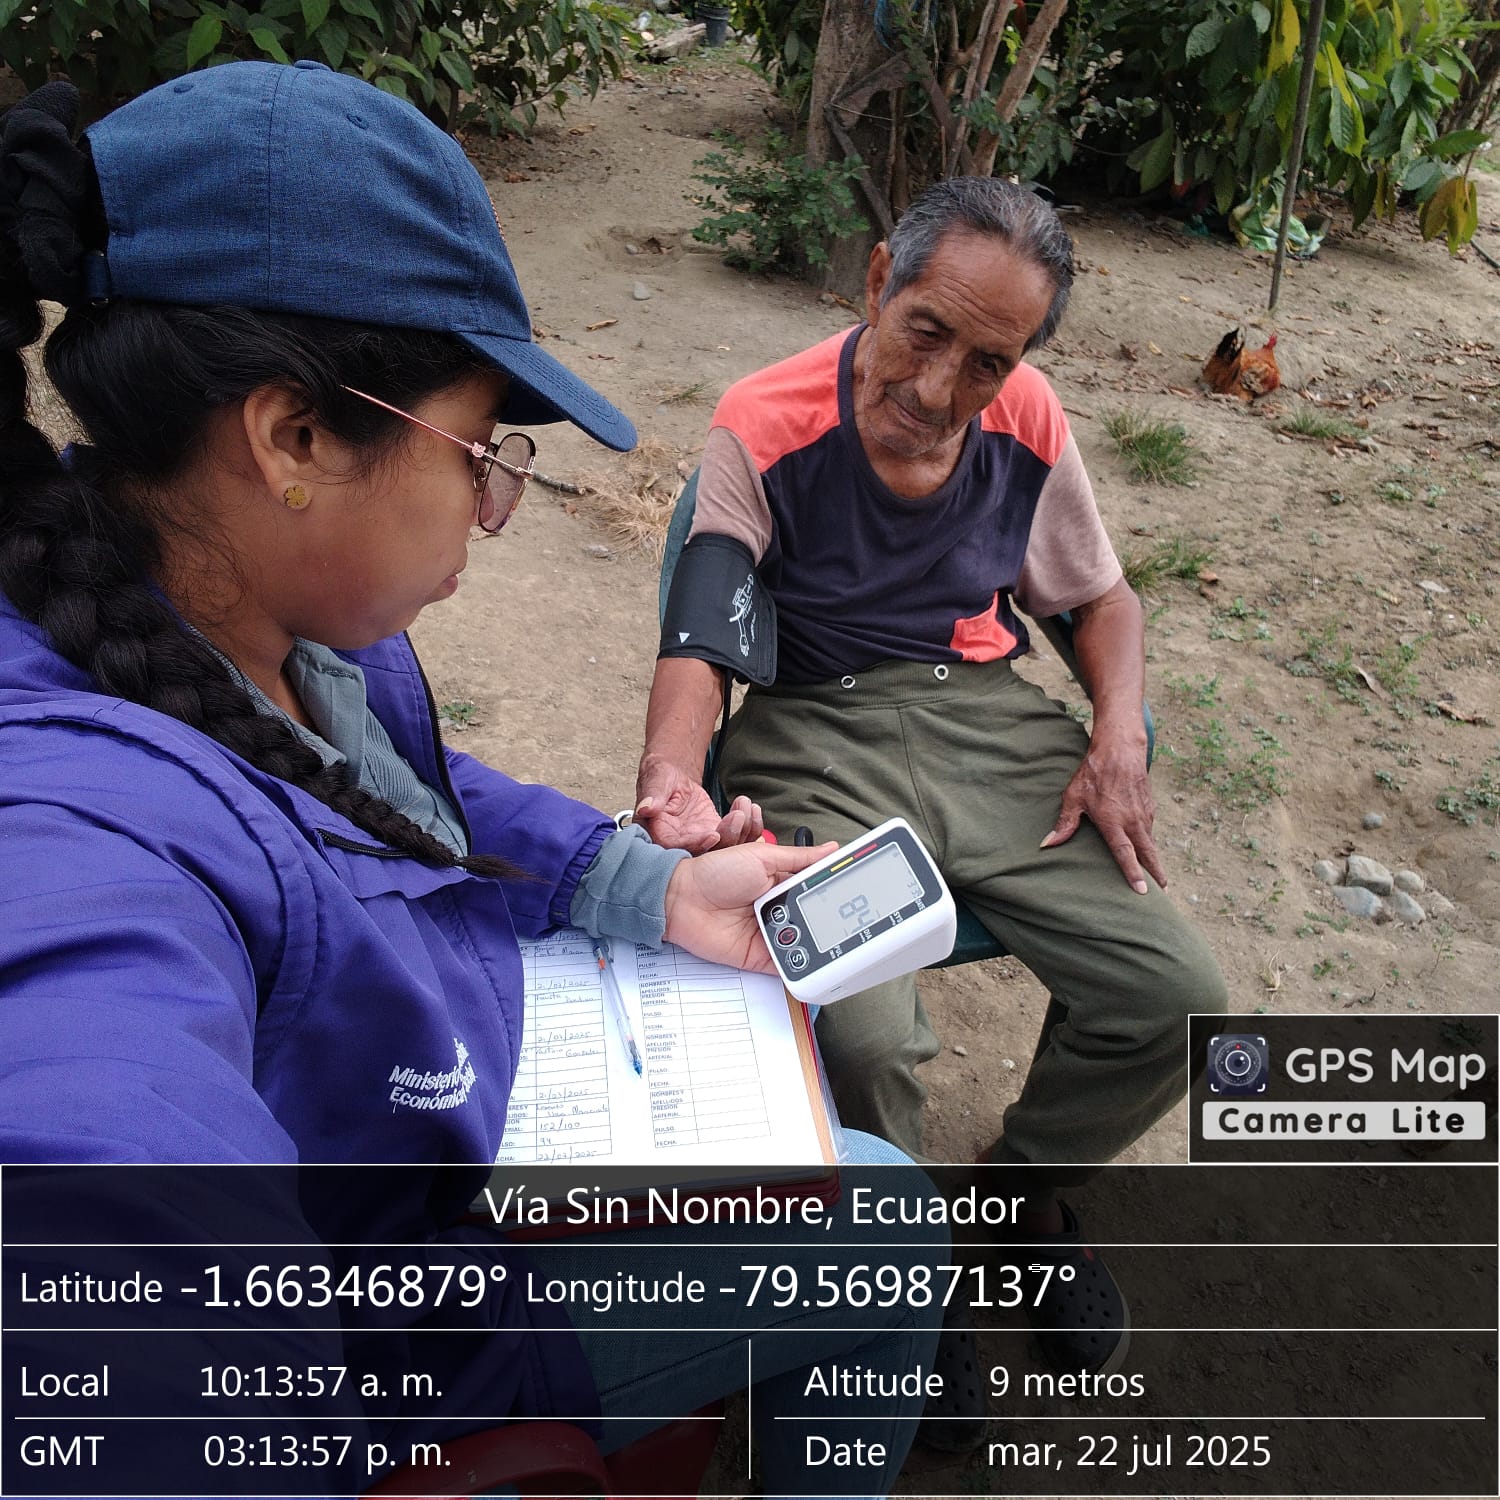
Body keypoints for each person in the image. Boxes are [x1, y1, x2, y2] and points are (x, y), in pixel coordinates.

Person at [0, 64, 941, 1498]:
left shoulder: (263, 615)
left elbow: (396, 787)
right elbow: (101, 1205)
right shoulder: (80, 820)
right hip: (415, 1330)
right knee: (880, 1229)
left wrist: (650, 886)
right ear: (294, 437)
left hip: (457, 1150)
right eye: (480, 452)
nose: (493, 507)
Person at [635, 177, 1231, 1384]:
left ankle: (1020, 1195)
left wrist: (1118, 732)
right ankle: (896, 1264)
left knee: (1177, 996)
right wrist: (671, 780)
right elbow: (700, 637)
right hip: (816, 739)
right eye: (925, 331)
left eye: (987, 363)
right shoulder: (765, 420)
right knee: (866, 1036)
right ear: (877, 281)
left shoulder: (1029, 420)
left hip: (990, 729)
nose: (938, 389)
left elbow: (1101, 598)